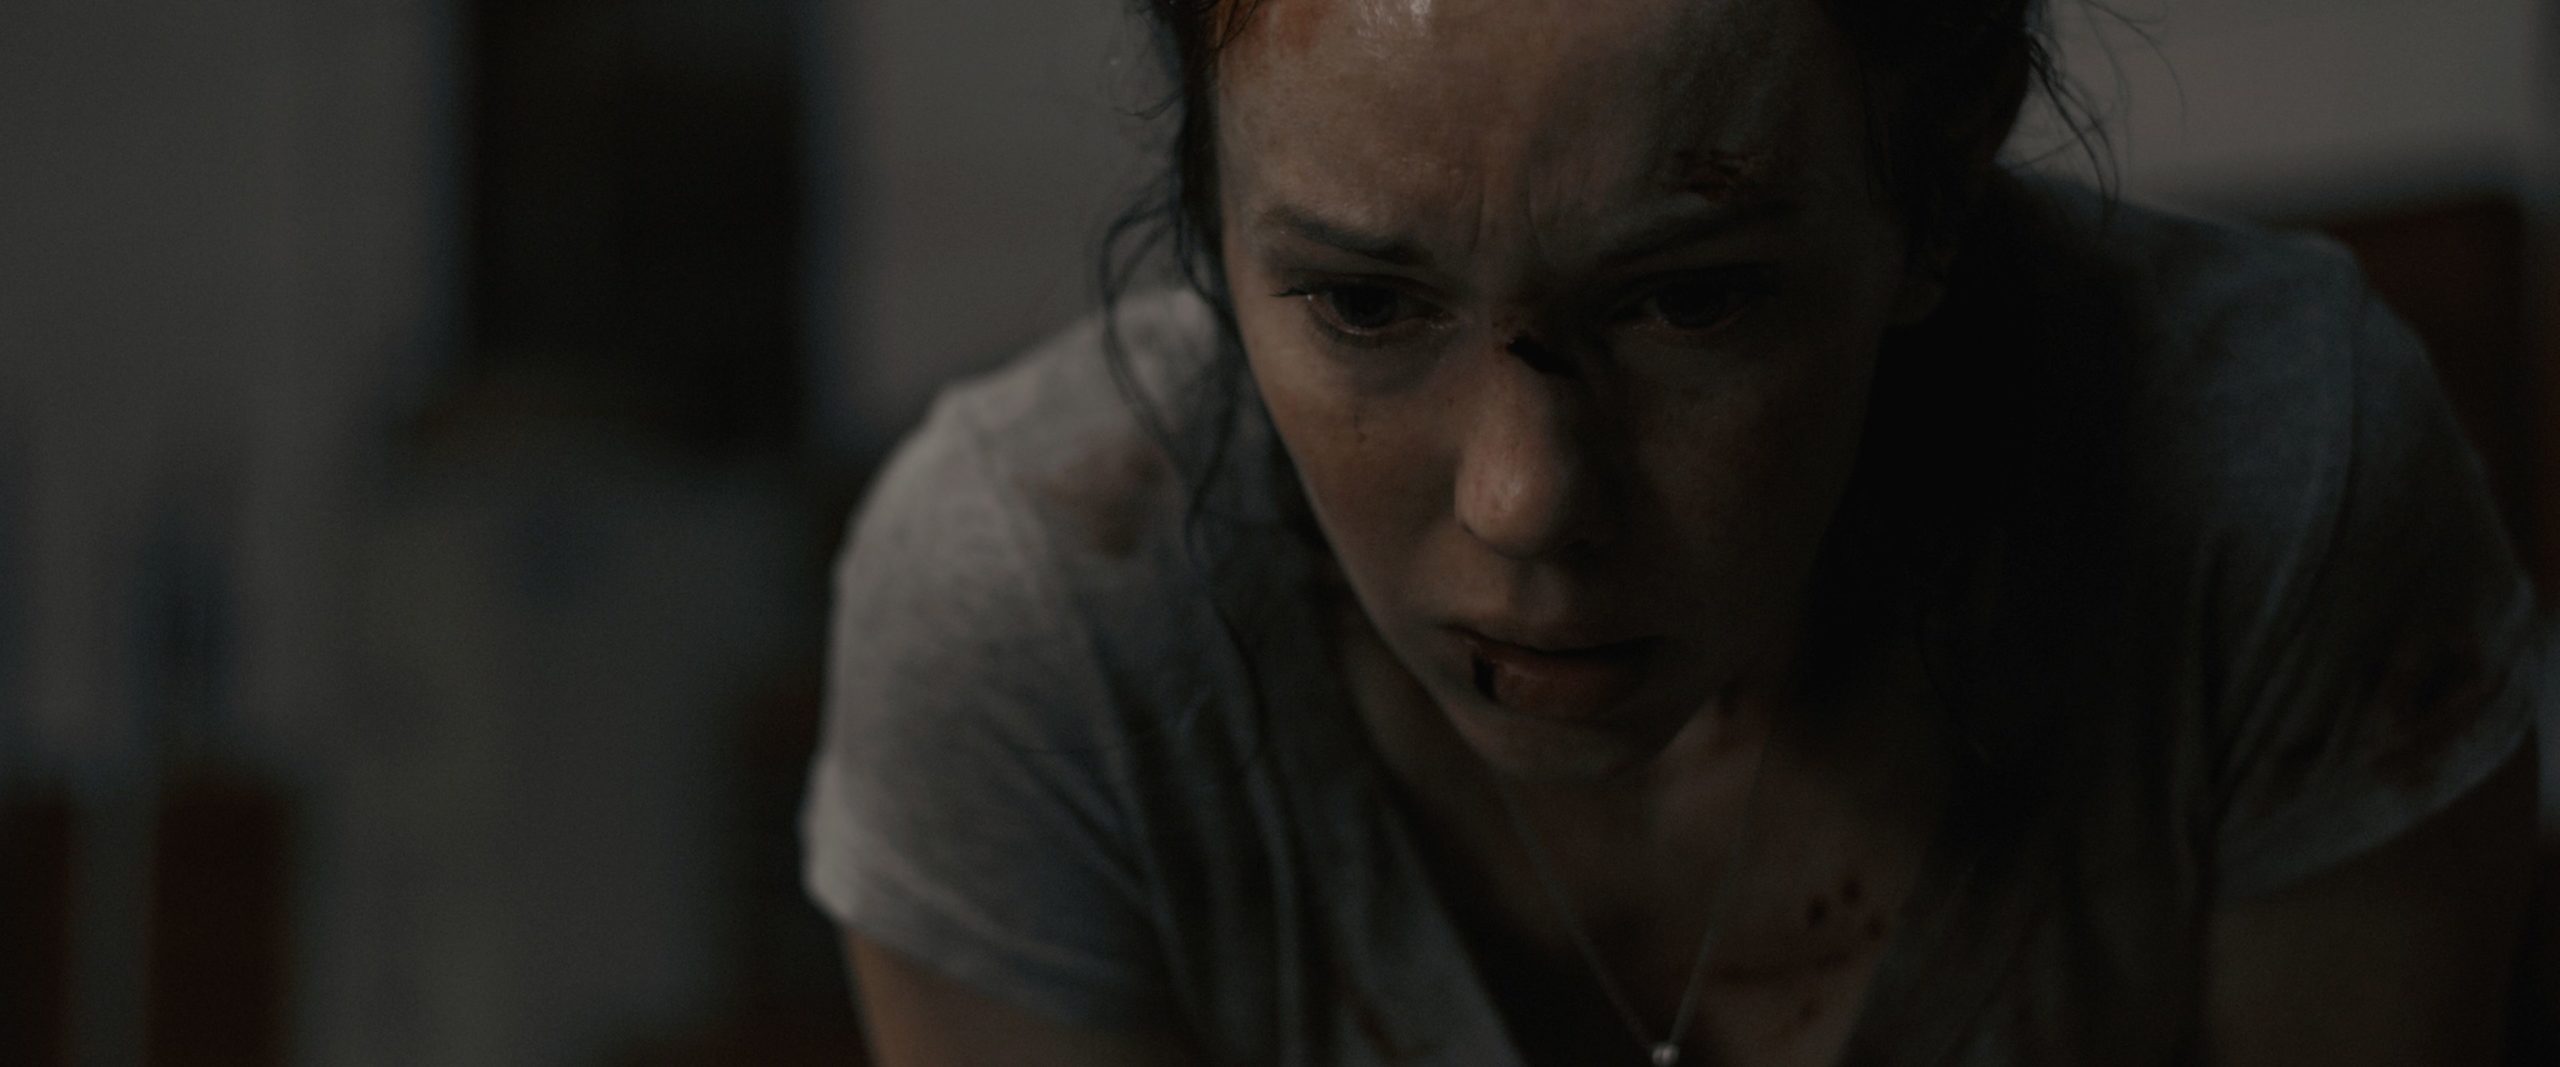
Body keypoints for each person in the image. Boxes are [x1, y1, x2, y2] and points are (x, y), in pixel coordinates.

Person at [799, 0, 2546, 1062]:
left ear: (1935, 193)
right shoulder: (1041, 615)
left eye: (1693, 300)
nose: (1527, 501)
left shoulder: (2264, 485)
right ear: (1211, 228)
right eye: (1363, 304)